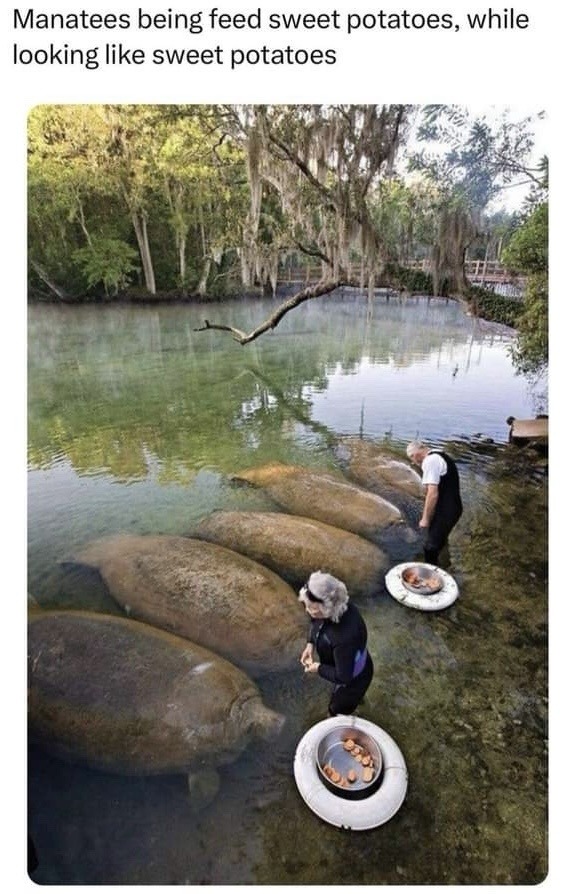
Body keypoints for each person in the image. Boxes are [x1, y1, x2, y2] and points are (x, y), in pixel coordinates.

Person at [298, 571, 373, 717]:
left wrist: (317, 668)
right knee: (352, 698)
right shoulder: (338, 606)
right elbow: (316, 621)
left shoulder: (343, 638)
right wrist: (310, 644)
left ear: (326, 609)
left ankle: (351, 709)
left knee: (336, 709)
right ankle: (358, 701)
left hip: (353, 678)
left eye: (311, 608)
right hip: (352, 662)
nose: (307, 610)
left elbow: (343, 677)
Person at [406, 440, 463, 566]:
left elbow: (433, 493)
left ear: (415, 455)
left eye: (411, 458)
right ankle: (445, 562)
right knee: (439, 538)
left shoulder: (430, 461)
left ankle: (431, 575)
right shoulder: (438, 453)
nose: (412, 462)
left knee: (430, 548)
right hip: (452, 506)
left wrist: (425, 519)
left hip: (447, 509)